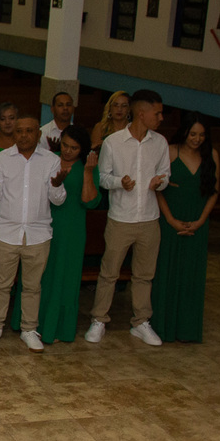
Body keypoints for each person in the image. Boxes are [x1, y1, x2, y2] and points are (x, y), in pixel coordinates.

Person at [86, 89, 170, 346]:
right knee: (109, 272)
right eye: (157, 113)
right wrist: (119, 183)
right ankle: (99, 319)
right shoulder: (113, 142)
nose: (161, 118)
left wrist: (160, 182)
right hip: (121, 218)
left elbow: (166, 174)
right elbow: (103, 177)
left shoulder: (160, 143)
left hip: (149, 218)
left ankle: (141, 321)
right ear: (142, 113)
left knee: (144, 274)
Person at [0, 118, 68, 352]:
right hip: (6, 233)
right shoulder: (1, 159)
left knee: (32, 286)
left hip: (38, 234)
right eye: (19, 131)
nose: (23, 135)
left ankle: (29, 329)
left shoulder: (51, 160)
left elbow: (57, 200)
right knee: (1, 284)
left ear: (38, 134)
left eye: (29, 131)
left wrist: (58, 185)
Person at [10, 125, 101, 343]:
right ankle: (29, 323)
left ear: (82, 149)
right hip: (42, 224)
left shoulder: (87, 166)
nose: (68, 151)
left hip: (71, 229)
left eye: (74, 148)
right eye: (65, 145)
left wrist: (88, 172)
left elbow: (89, 202)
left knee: (64, 276)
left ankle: (56, 327)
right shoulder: (48, 159)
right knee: (38, 274)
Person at [152, 115, 219, 343]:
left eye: (201, 135)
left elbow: (214, 192)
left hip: (197, 221)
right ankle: (163, 326)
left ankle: (188, 329)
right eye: (193, 134)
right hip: (170, 219)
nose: (197, 139)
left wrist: (200, 221)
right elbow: (158, 190)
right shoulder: (170, 152)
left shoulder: (212, 155)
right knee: (167, 271)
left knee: (192, 275)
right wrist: (170, 219)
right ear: (184, 133)